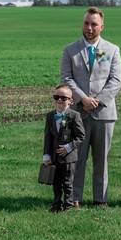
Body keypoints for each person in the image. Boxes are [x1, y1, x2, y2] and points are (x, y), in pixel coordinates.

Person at [60, 7, 121, 206]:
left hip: (104, 113)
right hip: (77, 113)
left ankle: (100, 199)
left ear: (101, 26)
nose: (89, 27)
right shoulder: (70, 50)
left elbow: (116, 80)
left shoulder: (112, 50)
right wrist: (82, 99)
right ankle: (74, 198)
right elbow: (66, 77)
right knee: (76, 158)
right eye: (86, 23)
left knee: (101, 159)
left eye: (94, 24)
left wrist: (97, 100)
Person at [42, 84, 86, 212]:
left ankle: (68, 205)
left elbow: (81, 136)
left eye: (63, 97)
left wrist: (69, 147)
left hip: (68, 157)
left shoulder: (74, 116)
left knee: (67, 182)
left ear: (71, 101)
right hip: (55, 156)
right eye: (56, 97)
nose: (59, 100)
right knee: (56, 182)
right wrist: (46, 154)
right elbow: (48, 137)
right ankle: (56, 204)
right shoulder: (50, 116)